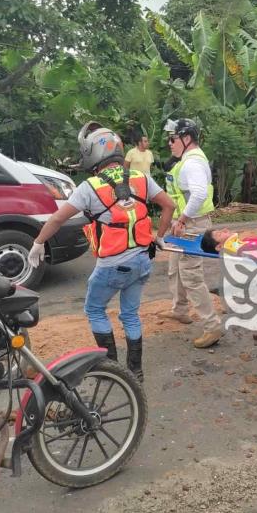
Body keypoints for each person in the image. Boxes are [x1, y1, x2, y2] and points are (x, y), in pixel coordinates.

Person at [27, 122, 175, 382]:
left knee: (95, 309)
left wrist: (38, 243)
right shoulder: (140, 178)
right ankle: (135, 371)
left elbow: (57, 220)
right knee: (130, 313)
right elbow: (169, 205)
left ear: (94, 153)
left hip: (113, 265)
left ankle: (111, 369)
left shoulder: (90, 187)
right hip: (143, 258)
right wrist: (159, 237)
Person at [161, 118, 223, 348]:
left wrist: (183, 219)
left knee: (191, 275)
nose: (170, 143)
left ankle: (212, 325)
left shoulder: (191, 163)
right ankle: (180, 309)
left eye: (173, 139)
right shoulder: (188, 160)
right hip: (186, 221)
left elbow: (197, 195)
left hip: (192, 223)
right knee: (175, 265)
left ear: (186, 138)